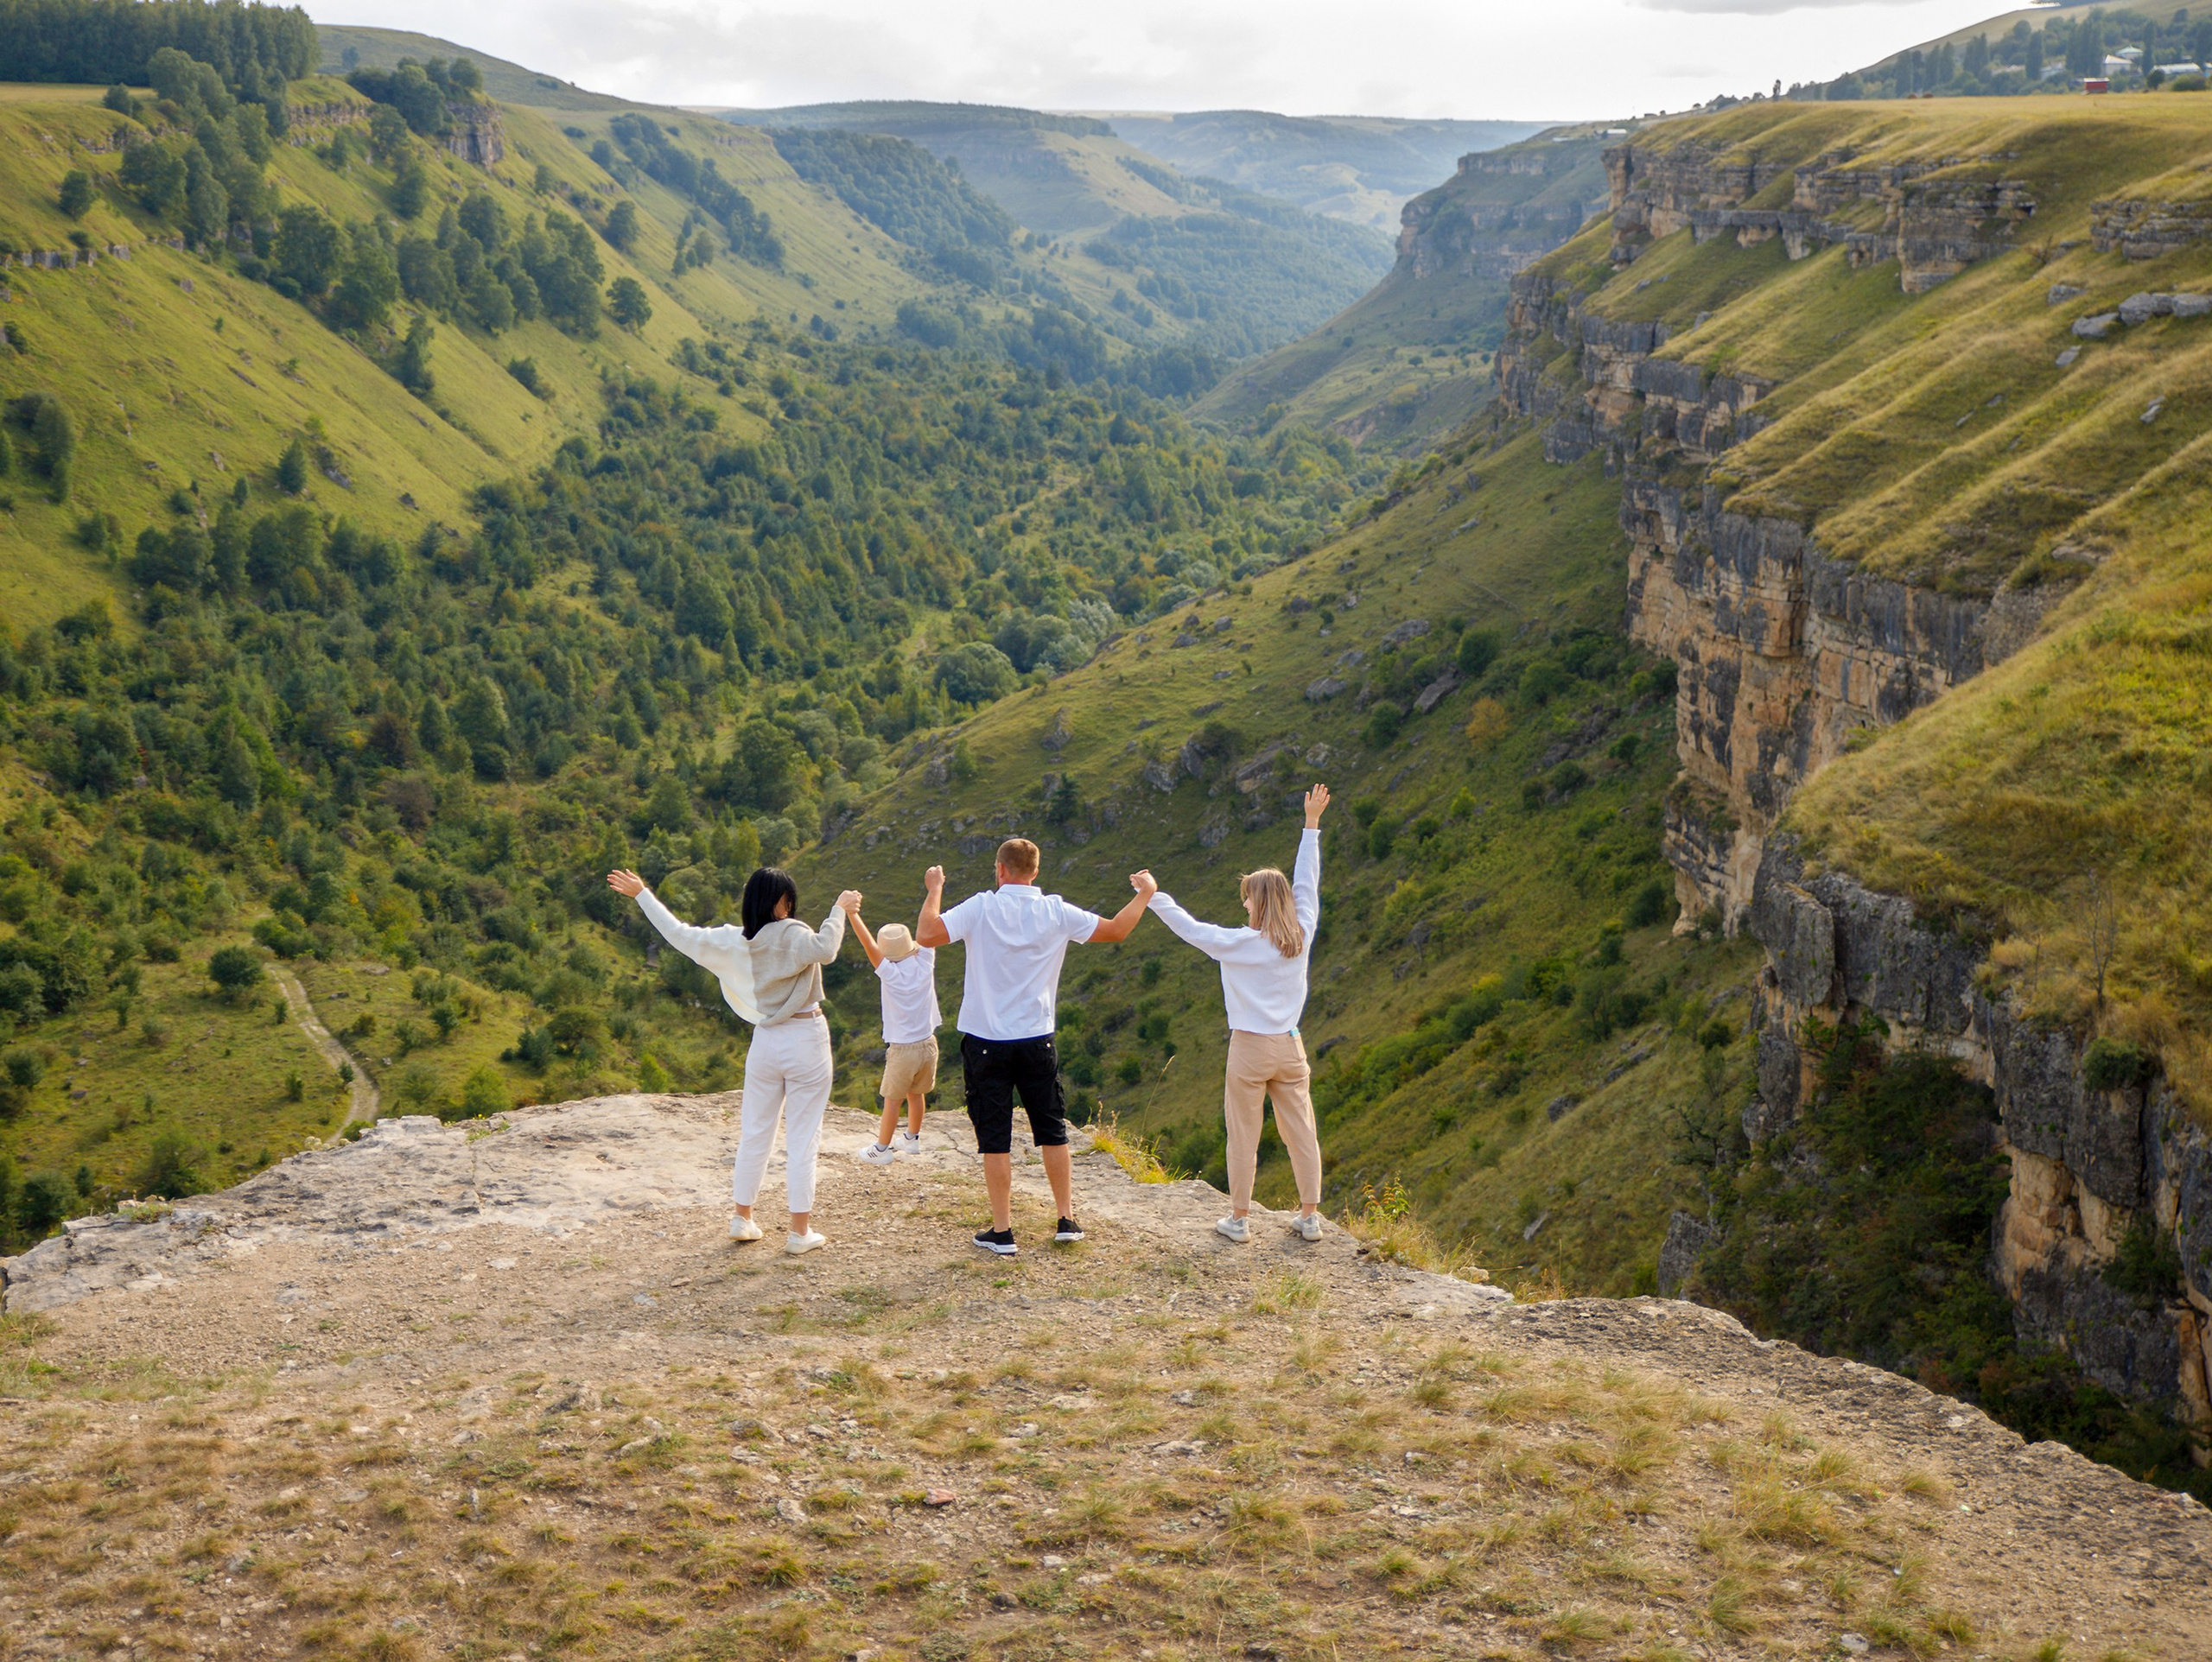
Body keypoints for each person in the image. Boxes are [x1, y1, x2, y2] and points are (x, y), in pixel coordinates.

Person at [915, 838, 1156, 1255]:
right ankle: (1066, 1218)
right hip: (1037, 1039)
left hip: (986, 1040)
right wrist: (1147, 894)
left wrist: (935, 889)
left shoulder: (981, 907)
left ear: (1000, 870)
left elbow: (927, 934)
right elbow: (1118, 929)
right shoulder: (1056, 910)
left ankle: (1003, 1231)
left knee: (995, 1136)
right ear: (1036, 872)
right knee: (1051, 1129)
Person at [607, 865, 859, 1255]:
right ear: (784, 901)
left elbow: (677, 933)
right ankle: (799, 1232)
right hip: (805, 1036)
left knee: (756, 1131)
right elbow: (826, 949)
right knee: (803, 1137)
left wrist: (642, 893)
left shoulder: (732, 941)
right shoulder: (794, 933)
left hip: (765, 1042)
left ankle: (742, 1218)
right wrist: (839, 909)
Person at [1140, 783, 1331, 1244]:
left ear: (1259, 902)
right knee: (1301, 1130)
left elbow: (1192, 930)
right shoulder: (1301, 932)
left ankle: (1240, 1220)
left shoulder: (1243, 944)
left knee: (1243, 1133)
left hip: (1249, 1047)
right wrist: (1311, 826)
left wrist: (1154, 896)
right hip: (1290, 1044)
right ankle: (1310, 1218)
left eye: (1247, 897)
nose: (1243, 903)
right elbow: (1308, 882)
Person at [847, 906, 940, 1165]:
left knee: (892, 1100)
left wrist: (852, 914)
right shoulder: (925, 961)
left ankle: (882, 1148)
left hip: (903, 1050)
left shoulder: (890, 973)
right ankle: (912, 1138)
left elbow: (867, 943)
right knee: (916, 1093)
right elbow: (929, 924)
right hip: (928, 1044)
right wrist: (935, 888)